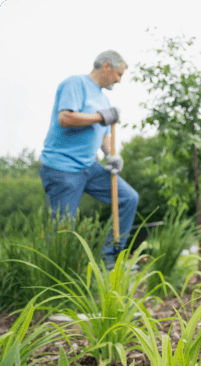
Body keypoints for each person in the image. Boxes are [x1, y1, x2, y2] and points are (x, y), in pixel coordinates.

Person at [39, 50, 138, 267]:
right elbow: (65, 117)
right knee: (62, 230)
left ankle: (109, 259)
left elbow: (102, 133)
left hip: (88, 167)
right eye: (118, 74)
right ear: (106, 67)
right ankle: (59, 278)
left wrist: (112, 155)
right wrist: (101, 116)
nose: (119, 80)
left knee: (129, 198)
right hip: (62, 167)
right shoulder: (76, 84)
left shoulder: (103, 97)